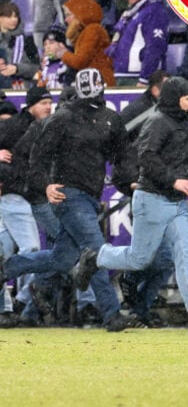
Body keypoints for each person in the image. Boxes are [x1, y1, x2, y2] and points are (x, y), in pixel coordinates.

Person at [72, 76, 188, 334]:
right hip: (153, 200)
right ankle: (95, 257)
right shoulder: (158, 123)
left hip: (174, 202)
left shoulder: (177, 122)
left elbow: (187, 164)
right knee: (139, 259)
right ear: (174, 99)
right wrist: (174, 181)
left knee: (187, 253)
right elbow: (146, 157)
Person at [0, 69, 134, 331]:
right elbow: (36, 157)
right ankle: (112, 314)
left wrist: (129, 182)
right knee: (96, 251)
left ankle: (7, 268)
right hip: (68, 194)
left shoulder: (109, 119)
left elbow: (123, 155)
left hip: (89, 197)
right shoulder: (62, 119)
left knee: (61, 260)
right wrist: (45, 185)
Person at [0, 85, 53, 324]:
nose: (48, 106)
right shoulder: (13, 126)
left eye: (50, 103)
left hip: (32, 197)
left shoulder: (50, 127)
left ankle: (6, 308)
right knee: (32, 249)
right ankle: (22, 297)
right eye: (43, 103)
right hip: (15, 196)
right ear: (31, 104)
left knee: (4, 252)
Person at [106, 0, 169, 86]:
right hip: (125, 75)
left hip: (137, 78)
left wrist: (145, 78)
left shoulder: (154, 12)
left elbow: (155, 46)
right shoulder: (135, 13)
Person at [52, 0, 115, 86]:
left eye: (68, 15)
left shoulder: (93, 30)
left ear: (80, 14)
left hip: (100, 81)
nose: (66, 20)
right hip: (94, 80)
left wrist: (63, 53)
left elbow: (80, 61)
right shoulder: (87, 31)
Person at [0, 0, 39, 89]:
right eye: (9, 16)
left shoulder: (27, 41)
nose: (14, 19)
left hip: (19, 90)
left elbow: (37, 69)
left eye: (16, 16)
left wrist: (17, 69)